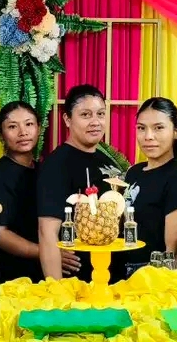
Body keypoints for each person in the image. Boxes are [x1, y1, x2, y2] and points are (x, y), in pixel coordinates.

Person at [37, 85, 117, 282]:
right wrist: (57, 291)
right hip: (77, 283)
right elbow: (47, 233)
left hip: (113, 280)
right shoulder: (57, 165)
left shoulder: (108, 161)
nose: (95, 122)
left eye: (100, 114)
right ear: (67, 119)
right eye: (85, 115)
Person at [119, 98, 177, 277]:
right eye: (141, 128)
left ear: (176, 132)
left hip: (150, 276)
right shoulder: (134, 172)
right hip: (118, 272)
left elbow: (172, 254)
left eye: (158, 128)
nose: (148, 136)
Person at [0, 101, 43, 282]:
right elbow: (0, 233)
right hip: (14, 276)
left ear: (39, 128)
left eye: (29, 124)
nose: (23, 132)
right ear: (0, 135)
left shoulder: (43, 170)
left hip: (43, 270)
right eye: (12, 126)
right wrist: (45, 252)